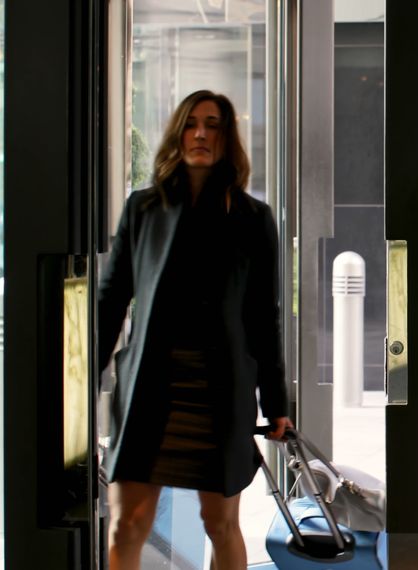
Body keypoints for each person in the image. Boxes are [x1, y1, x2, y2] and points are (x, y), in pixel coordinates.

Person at [98, 90, 293, 570]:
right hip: (149, 388)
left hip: (217, 389)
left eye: (213, 125)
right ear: (178, 133)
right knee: (126, 523)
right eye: (191, 124)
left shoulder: (252, 219)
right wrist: (82, 380)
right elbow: (111, 299)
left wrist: (277, 402)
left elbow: (262, 318)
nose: (201, 133)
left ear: (227, 139)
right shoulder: (143, 210)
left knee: (220, 524)